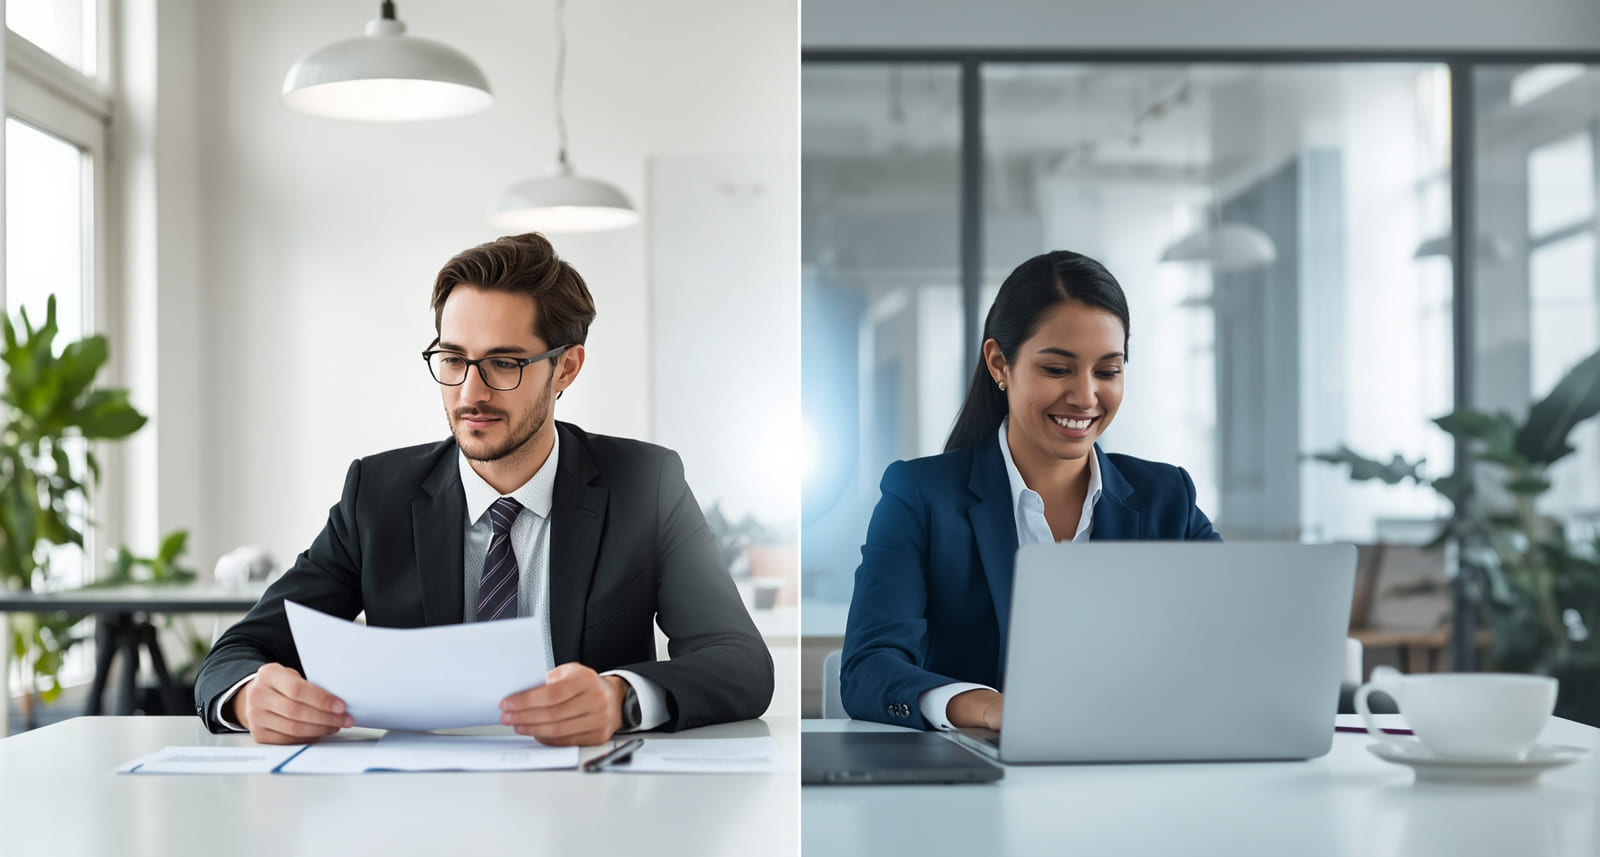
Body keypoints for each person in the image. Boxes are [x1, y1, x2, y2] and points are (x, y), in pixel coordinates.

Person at [195, 233, 774, 746]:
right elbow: (236, 654)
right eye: (452, 359)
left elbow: (741, 663)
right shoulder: (377, 495)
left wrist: (619, 697)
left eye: (503, 364)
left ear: (566, 368)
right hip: (419, 811)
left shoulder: (645, 485)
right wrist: (250, 697)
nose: (470, 392)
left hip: (592, 805)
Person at [840, 250, 1219, 731]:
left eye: (1108, 371)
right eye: (1058, 369)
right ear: (1000, 364)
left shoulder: (1169, 498)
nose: (1085, 396)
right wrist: (989, 709)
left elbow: (1231, 643)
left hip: (1136, 775)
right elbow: (868, 670)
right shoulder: (919, 496)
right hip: (978, 786)